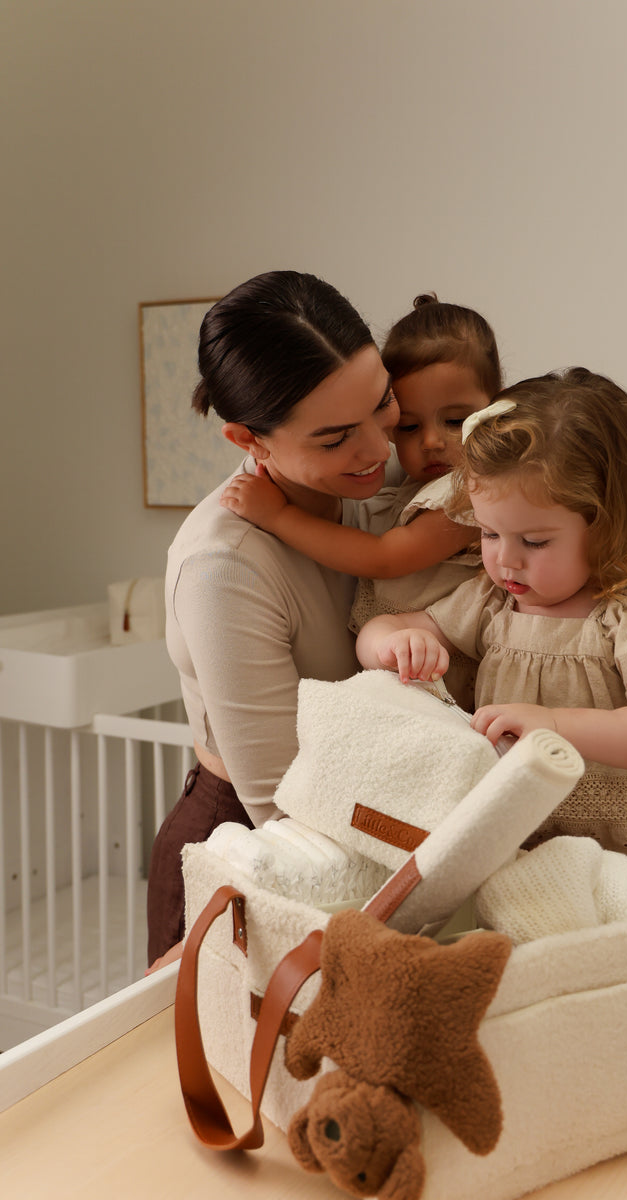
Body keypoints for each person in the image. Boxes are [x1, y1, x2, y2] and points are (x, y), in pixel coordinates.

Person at [355, 368, 627, 901]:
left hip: (615, 846)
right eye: (490, 532)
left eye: (535, 541)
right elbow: (386, 630)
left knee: (609, 933)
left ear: (606, 525)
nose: (504, 558)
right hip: (513, 830)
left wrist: (556, 724)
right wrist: (393, 642)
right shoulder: (493, 601)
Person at [146, 270, 398, 968]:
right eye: (335, 438)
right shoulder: (223, 569)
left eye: (383, 404)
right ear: (247, 439)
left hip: (367, 814)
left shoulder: (389, 483)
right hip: (256, 841)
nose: (378, 448)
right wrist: (428, 858)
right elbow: (282, 807)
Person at [220, 293, 502, 707]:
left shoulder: (478, 492)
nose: (430, 441)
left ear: (497, 408)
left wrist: (278, 515)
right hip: (407, 658)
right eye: (406, 426)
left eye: (456, 421)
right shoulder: (409, 483)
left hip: (450, 662)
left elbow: (384, 558)